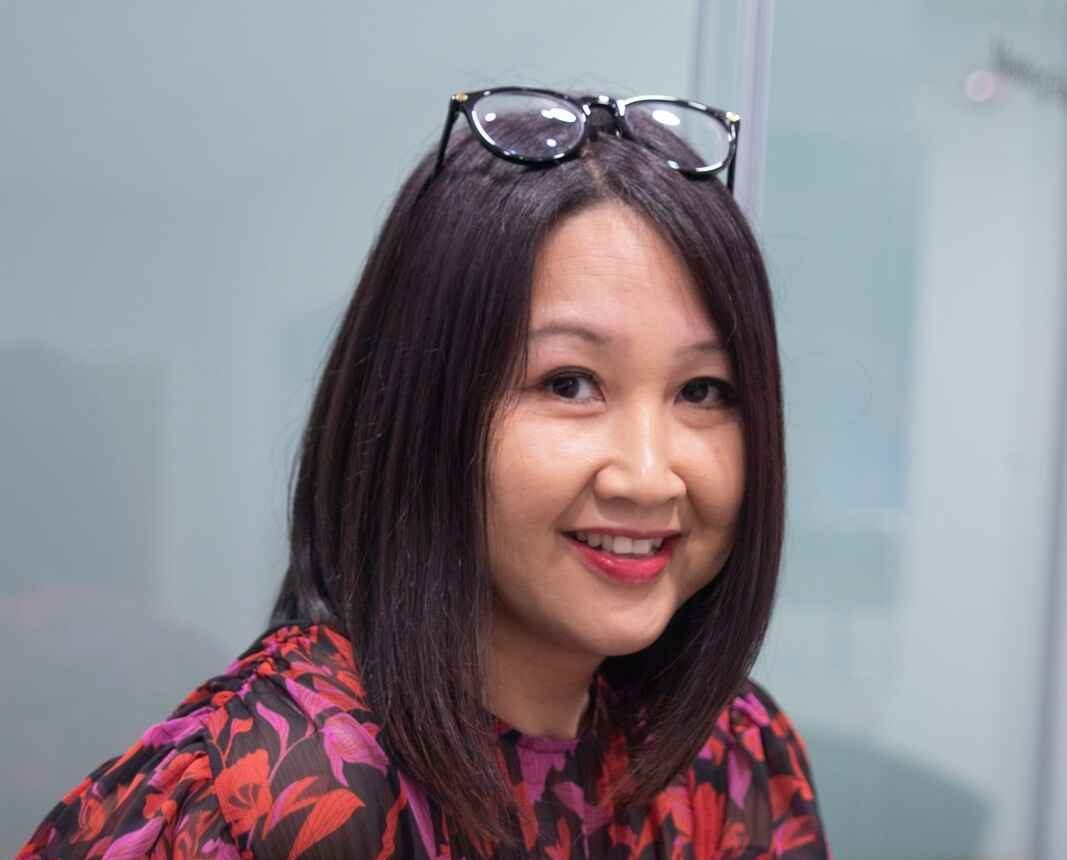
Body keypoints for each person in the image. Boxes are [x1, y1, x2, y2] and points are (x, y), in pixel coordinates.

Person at [16, 87, 831, 859]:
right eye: (568, 384)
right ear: (421, 410)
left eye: (703, 391)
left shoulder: (732, 757)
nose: (650, 477)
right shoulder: (280, 786)